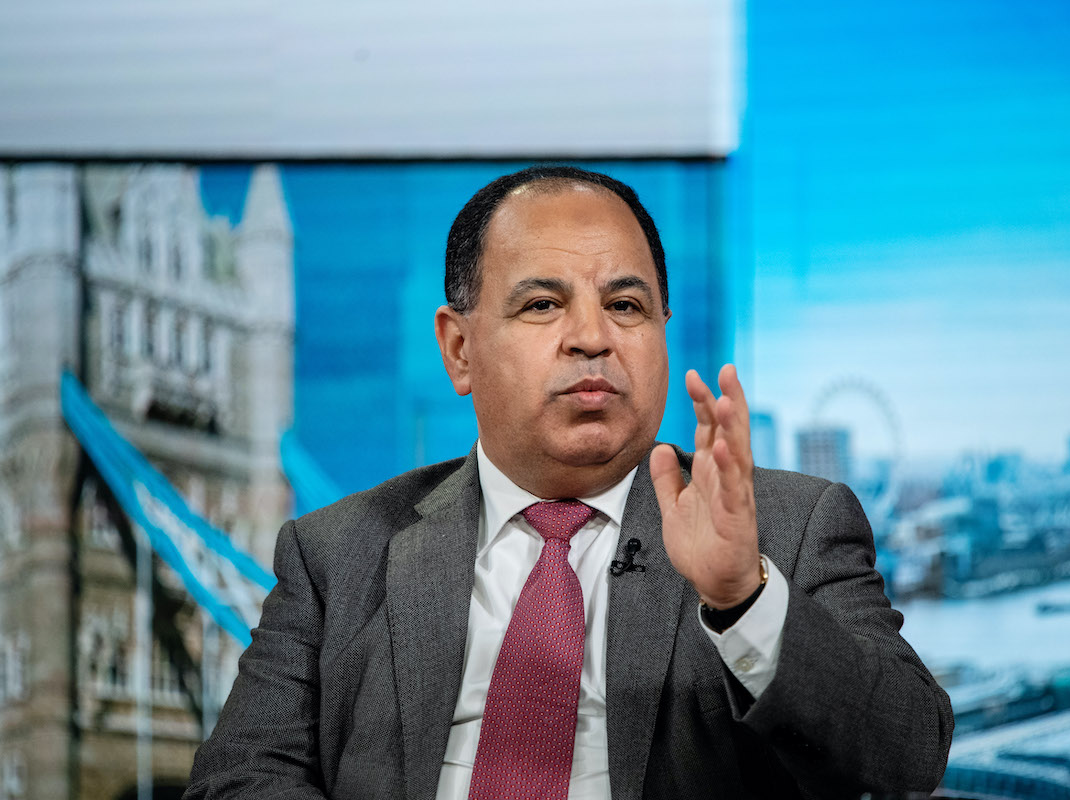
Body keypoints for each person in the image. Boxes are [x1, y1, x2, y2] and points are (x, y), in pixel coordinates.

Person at [185, 166, 953, 800]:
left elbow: (908, 752)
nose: (592, 337)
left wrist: (742, 597)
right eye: (543, 304)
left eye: (626, 305)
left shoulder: (789, 526)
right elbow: (239, 779)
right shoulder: (337, 551)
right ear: (459, 349)